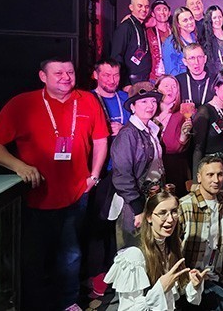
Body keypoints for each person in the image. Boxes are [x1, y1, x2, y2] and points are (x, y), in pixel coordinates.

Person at [0, 58, 109, 310]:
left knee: (72, 255)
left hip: (76, 194)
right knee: (34, 258)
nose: (66, 77)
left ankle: (69, 302)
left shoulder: (87, 100)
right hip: (35, 198)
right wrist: (19, 166)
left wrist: (94, 175)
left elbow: (101, 140)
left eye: (70, 72)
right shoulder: (22, 103)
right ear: (43, 76)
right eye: (58, 72)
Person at [104, 184, 208, 310]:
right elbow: (128, 308)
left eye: (174, 212)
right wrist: (160, 289)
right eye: (162, 213)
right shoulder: (134, 255)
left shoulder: (171, 245)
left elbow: (175, 295)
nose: (170, 219)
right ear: (149, 217)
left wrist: (194, 285)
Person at [88, 58, 131, 297]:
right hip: (100, 171)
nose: (112, 80)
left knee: (121, 223)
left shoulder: (125, 98)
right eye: (106, 75)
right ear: (96, 75)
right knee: (99, 223)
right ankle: (97, 273)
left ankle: (118, 270)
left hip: (124, 170)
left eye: (115, 75)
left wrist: (123, 130)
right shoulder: (88, 99)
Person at [179, 157, 223, 310]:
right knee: (222, 302)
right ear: (199, 177)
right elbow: (175, 248)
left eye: (220, 174)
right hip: (192, 277)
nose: (216, 180)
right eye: (210, 175)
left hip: (216, 273)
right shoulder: (185, 206)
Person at [110, 81, 165, 248]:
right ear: (133, 107)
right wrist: (137, 208)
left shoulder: (152, 130)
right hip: (133, 205)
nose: (150, 105)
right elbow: (122, 175)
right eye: (144, 101)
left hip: (151, 198)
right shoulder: (128, 135)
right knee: (133, 252)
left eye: (153, 101)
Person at [191, 70, 223, 179]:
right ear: (216, 88)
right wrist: (196, 180)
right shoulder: (205, 111)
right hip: (213, 169)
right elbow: (198, 148)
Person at [154, 75, 192, 197]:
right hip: (153, 171)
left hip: (176, 170)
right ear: (157, 89)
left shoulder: (182, 114)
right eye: (166, 86)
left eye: (174, 86)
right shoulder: (150, 113)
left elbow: (178, 146)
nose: (170, 89)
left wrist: (184, 135)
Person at [111, 0, 152, 85]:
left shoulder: (142, 27)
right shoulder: (125, 27)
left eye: (146, 7)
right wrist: (125, 83)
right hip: (131, 81)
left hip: (144, 79)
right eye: (140, 6)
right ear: (131, 7)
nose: (144, 9)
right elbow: (116, 56)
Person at [162, 7, 199, 76]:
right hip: (180, 79)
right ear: (178, 24)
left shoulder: (196, 38)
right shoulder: (170, 43)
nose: (190, 22)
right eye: (185, 20)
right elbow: (170, 71)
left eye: (191, 18)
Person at [175, 43, 213, 108]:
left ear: (205, 59)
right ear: (185, 61)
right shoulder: (178, 82)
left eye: (199, 57)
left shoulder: (216, 80)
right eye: (192, 58)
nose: (196, 62)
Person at [146, 0, 172, 82]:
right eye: (158, 9)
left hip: (173, 77)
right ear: (153, 14)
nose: (162, 12)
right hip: (154, 78)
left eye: (165, 9)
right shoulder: (148, 32)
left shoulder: (175, 32)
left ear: (169, 13)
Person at [201, 5, 223, 76]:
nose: (218, 20)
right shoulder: (205, 39)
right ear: (209, 20)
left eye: (220, 17)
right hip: (215, 76)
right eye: (214, 18)